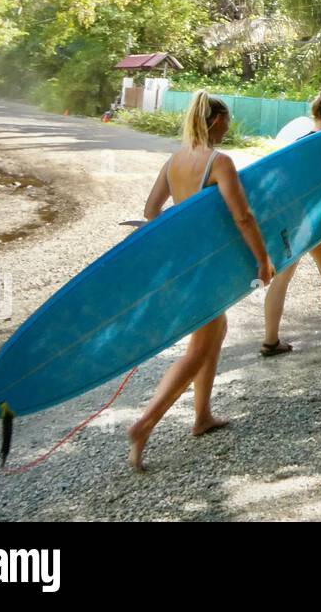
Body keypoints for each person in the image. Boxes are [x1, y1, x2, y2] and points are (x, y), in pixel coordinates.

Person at [128, 91, 273, 470]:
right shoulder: (219, 162)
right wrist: (263, 260)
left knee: (214, 332)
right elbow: (243, 217)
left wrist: (180, 239)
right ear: (213, 121)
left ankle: (202, 416)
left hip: (186, 265)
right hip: (209, 268)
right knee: (199, 348)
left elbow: (150, 211)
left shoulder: (174, 161)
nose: (229, 128)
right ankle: (145, 424)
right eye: (226, 122)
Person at [261, 87, 321, 356]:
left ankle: (270, 340)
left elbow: (285, 186)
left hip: (293, 223)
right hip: (318, 224)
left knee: (282, 280)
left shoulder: (299, 144)